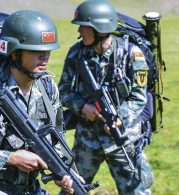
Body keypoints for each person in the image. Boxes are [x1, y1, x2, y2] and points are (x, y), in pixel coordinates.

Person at [0, 10, 75, 195]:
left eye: (47, 50)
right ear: (14, 53)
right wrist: (10, 158)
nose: (45, 57)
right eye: (36, 50)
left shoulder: (47, 87)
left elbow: (55, 139)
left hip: (28, 189)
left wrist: (66, 172)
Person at [58, 0, 154, 194]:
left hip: (124, 141)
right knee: (73, 189)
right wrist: (82, 107)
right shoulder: (76, 53)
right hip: (87, 140)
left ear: (100, 29)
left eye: (85, 27)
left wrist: (119, 119)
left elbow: (138, 97)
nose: (80, 32)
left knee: (136, 191)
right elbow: (63, 91)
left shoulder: (131, 55)